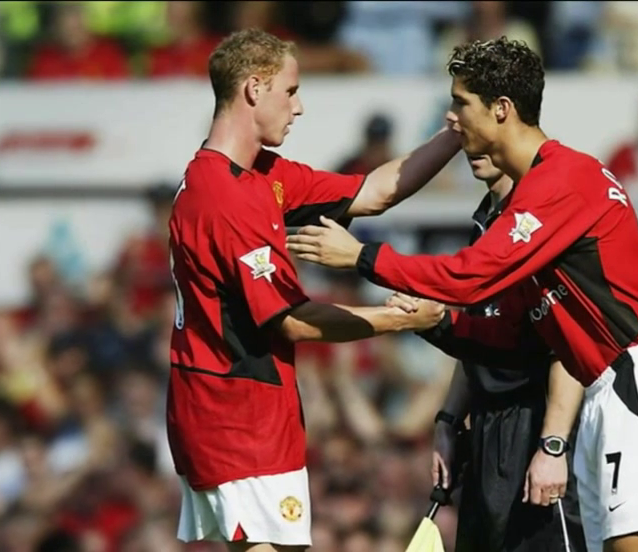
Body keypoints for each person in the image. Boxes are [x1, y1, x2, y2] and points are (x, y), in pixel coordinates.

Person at [287, 37, 638, 552]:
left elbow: (471, 276)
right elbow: (505, 330)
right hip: (618, 384)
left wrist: (363, 257)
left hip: (635, 382)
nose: (452, 118)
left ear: (501, 109)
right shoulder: (537, 190)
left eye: (461, 103)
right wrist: (435, 324)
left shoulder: (561, 180)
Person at [167, 28, 459, 552]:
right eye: (291, 90)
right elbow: (293, 319)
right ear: (254, 88)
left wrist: (456, 133)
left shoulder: (258, 176)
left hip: (242, 408)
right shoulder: (225, 198)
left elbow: (372, 192)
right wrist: (401, 318)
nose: (299, 107)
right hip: (236, 413)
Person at [400, 153, 587, 552]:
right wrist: (449, 420)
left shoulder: (540, 220)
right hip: (485, 433)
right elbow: (478, 336)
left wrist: (553, 446)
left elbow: (569, 345)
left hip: (535, 427)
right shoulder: (485, 222)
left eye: (471, 122)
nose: (466, 137)